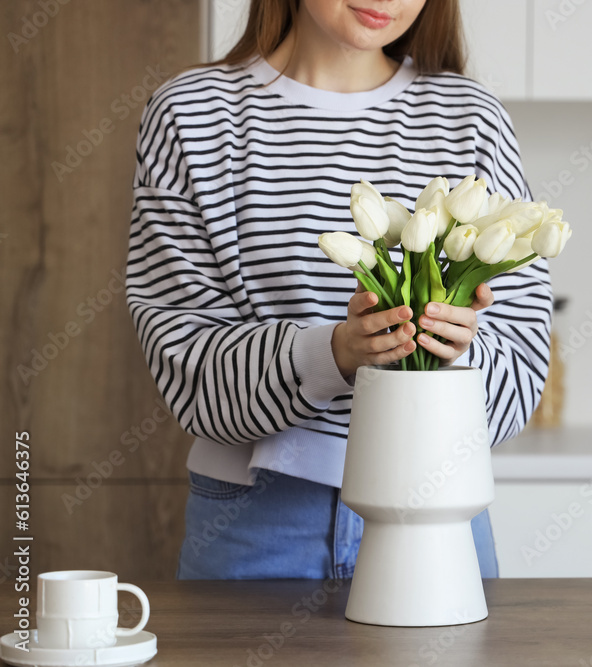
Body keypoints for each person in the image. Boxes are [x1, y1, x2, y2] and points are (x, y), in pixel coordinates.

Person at [125, 0, 552, 580]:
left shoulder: (471, 119)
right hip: (257, 521)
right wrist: (335, 353)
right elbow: (186, 367)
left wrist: (452, 352)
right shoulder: (193, 115)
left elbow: (522, 375)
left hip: (435, 513)